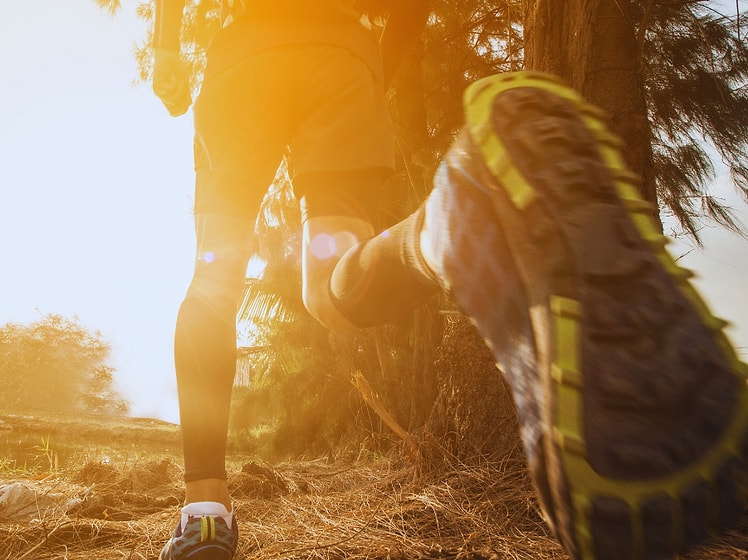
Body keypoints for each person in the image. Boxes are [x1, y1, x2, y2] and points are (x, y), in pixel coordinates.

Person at [151, 1, 748, 559]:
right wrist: (368, 72)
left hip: (245, 64)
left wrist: (168, 49)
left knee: (215, 280)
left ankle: (205, 511)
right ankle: (442, 227)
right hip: (341, 57)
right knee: (331, 280)